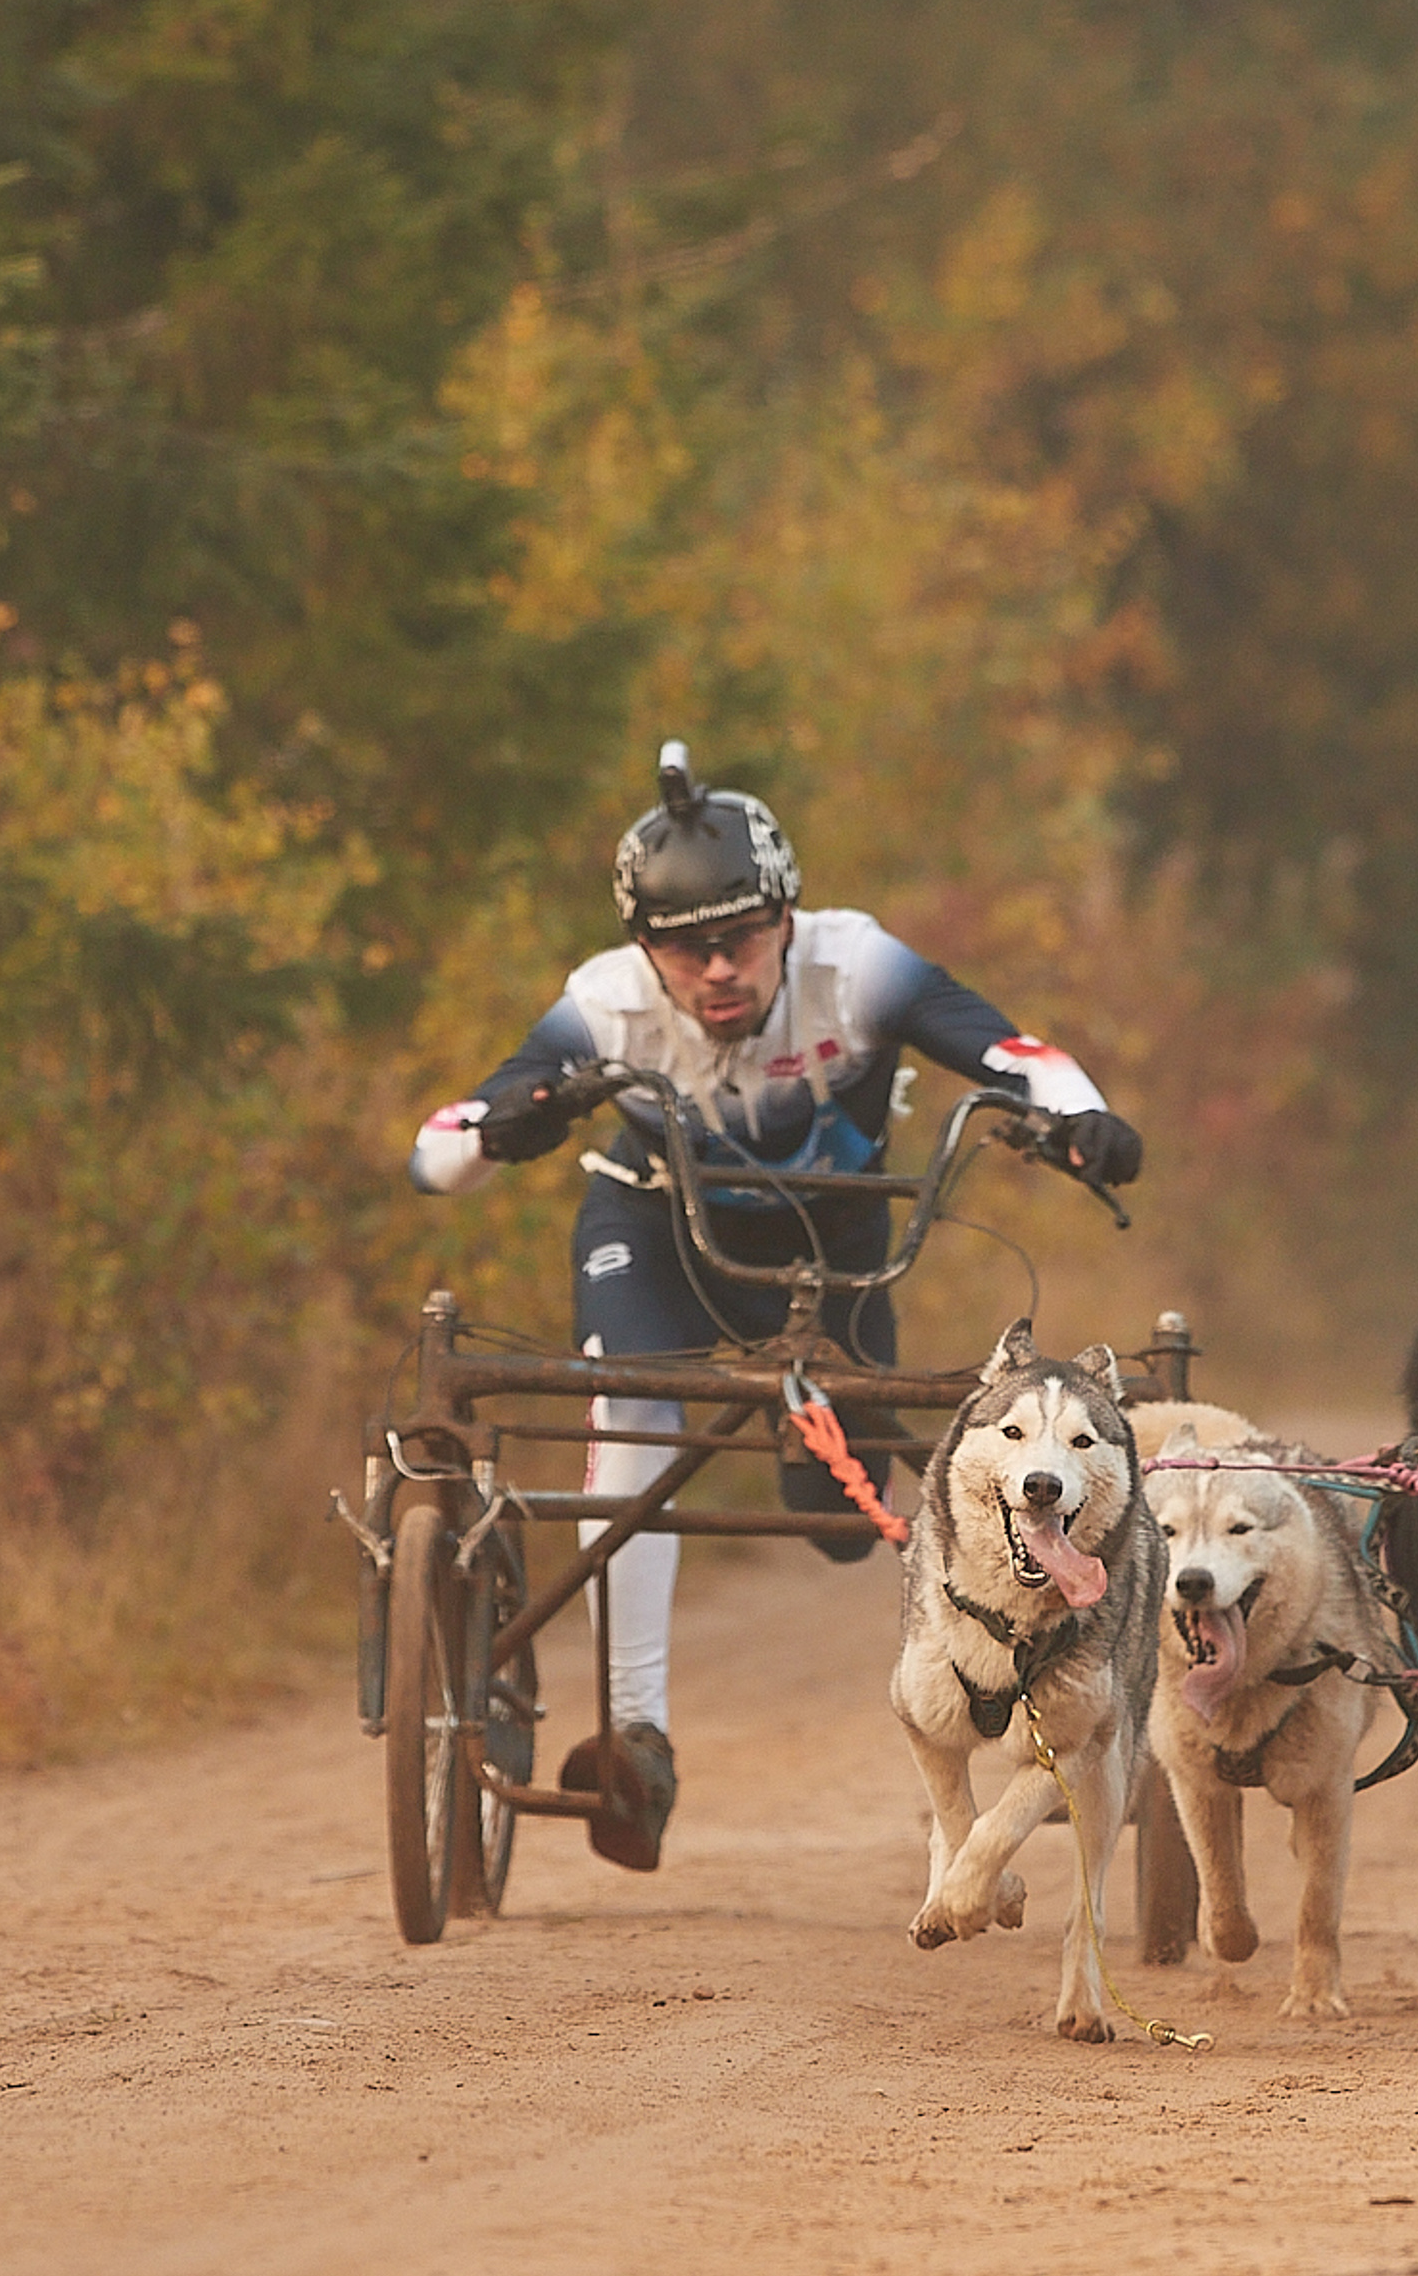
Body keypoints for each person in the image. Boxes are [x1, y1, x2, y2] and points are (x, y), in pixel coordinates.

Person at [407, 741, 1144, 1865]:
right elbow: (440, 1149)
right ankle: (635, 1737)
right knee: (634, 1412)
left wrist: (1080, 1119)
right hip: (657, 1233)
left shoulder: (859, 967)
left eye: (739, 938)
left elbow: (1008, 1050)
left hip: (830, 1243)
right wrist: (502, 1123)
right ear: (641, 945)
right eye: (681, 947)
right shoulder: (604, 1003)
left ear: (788, 918)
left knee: (841, 1524)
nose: (714, 970)